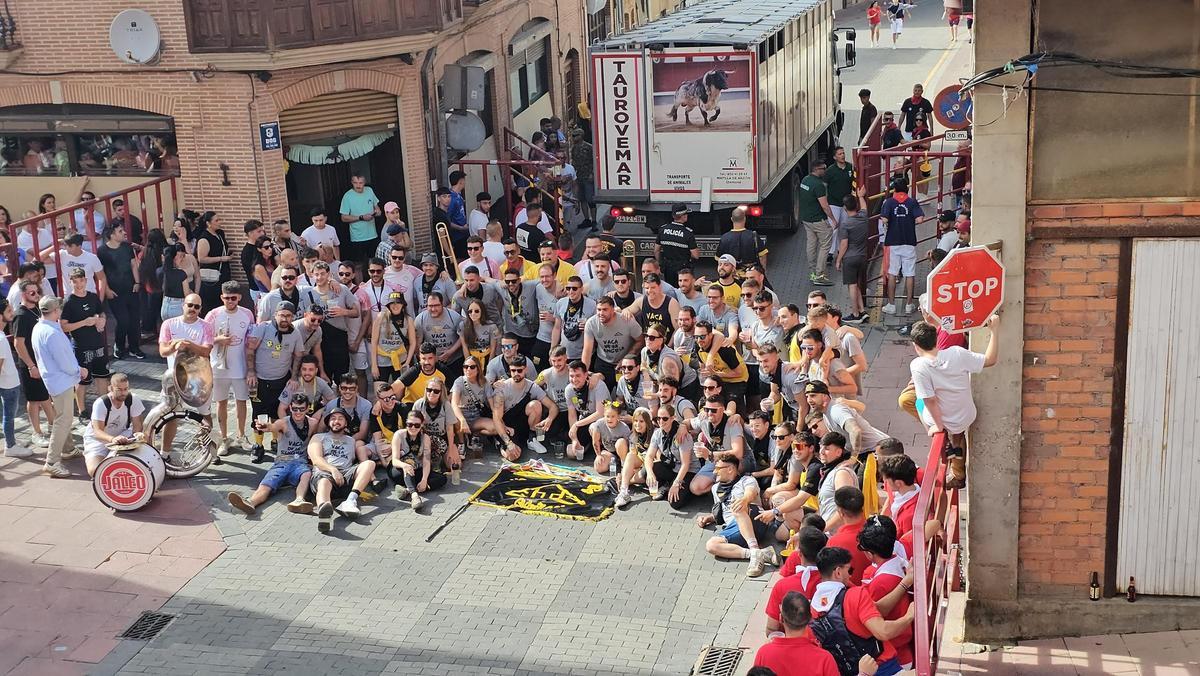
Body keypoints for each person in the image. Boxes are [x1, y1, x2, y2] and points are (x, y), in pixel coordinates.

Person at [909, 315, 1000, 487]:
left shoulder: (918, 365)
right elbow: (990, 360)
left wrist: (937, 426)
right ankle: (952, 448)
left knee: (917, 402)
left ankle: (945, 443)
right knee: (950, 421)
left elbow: (929, 400)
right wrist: (995, 331)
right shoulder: (957, 353)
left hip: (946, 421)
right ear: (936, 339)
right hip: (966, 415)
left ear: (915, 345)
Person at [812, 547, 914, 676]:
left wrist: (905, 582)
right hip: (882, 668)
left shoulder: (812, 608)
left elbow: (875, 608)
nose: (850, 575)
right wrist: (909, 617)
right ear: (838, 572)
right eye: (849, 570)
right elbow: (883, 631)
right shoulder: (855, 594)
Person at [228, 394, 316, 515]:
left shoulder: (313, 423)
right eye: (295, 409)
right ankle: (250, 502)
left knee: (306, 474)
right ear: (290, 408)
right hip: (282, 462)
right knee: (268, 482)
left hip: (300, 463)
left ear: (307, 409)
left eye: (301, 409)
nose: (298, 412)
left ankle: (299, 500)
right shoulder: (283, 423)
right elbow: (272, 427)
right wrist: (263, 426)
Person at [695, 452, 779, 577]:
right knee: (711, 545)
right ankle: (757, 553)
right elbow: (724, 511)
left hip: (755, 519)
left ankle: (755, 554)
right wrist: (710, 517)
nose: (714, 472)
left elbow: (750, 494)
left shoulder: (747, 480)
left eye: (717, 469)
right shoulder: (715, 488)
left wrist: (744, 500)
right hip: (735, 527)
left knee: (739, 507)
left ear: (730, 469)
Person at [31, 296, 86, 478]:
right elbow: (65, 362)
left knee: (63, 416)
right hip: (61, 380)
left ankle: (68, 448)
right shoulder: (53, 333)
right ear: (56, 311)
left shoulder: (39, 328)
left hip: (54, 380)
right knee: (64, 419)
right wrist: (80, 371)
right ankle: (52, 461)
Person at [245, 303, 307, 461]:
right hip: (259, 380)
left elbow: (298, 355)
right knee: (259, 413)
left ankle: (275, 440)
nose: (284, 319)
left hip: (281, 380)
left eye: (288, 316)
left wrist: (294, 377)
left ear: (292, 317)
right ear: (275, 314)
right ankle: (258, 445)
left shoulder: (295, 333)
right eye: (282, 315)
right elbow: (250, 349)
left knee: (276, 412)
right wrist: (251, 372)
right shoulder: (263, 328)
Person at [159, 293, 215, 453]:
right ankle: (165, 453)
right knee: (172, 417)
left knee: (205, 415)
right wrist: (174, 347)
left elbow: (206, 351)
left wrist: (189, 344)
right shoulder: (169, 324)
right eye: (190, 305)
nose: (193, 309)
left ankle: (208, 450)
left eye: (197, 307)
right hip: (176, 378)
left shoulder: (206, 326)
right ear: (183, 305)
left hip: (200, 378)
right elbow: (163, 351)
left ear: (200, 309)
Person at [858, 515, 916, 669]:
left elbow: (873, 614)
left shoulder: (881, 582)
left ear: (870, 554)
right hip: (900, 650)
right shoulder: (897, 561)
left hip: (894, 658)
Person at [206, 281, 255, 456]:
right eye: (226, 298)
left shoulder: (247, 314)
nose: (230, 301)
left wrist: (251, 367)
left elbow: (251, 338)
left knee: (242, 401)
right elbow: (205, 338)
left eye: (233, 298)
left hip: (240, 365)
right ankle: (224, 437)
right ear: (222, 297)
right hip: (219, 367)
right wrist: (219, 340)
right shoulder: (213, 314)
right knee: (221, 402)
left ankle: (242, 435)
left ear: (239, 298)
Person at [309, 407, 377, 533]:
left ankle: (350, 500)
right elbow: (316, 460)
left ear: (346, 423)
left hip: (345, 474)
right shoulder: (318, 437)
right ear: (328, 422)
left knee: (369, 464)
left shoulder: (351, 440)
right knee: (324, 481)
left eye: (340, 419)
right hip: (324, 472)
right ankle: (324, 511)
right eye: (333, 418)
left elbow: (355, 460)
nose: (336, 421)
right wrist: (333, 470)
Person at [60, 267, 109, 424]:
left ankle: (103, 406)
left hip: (98, 343)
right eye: (75, 281)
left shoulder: (93, 297)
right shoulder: (69, 302)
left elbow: (101, 312)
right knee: (82, 380)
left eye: (81, 280)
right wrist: (83, 323)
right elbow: (63, 326)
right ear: (71, 282)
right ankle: (82, 410)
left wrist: (102, 320)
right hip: (81, 345)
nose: (79, 284)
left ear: (86, 280)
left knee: (102, 376)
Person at [764, 526, 827, 636]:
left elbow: (771, 629)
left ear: (800, 554)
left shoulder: (782, 586)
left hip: (790, 646)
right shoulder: (835, 583)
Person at [79, 372, 145, 477]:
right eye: (119, 390)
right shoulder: (101, 403)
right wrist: (112, 439)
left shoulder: (133, 399)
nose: (123, 393)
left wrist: (137, 435)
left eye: (126, 389)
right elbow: (97, 432)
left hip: (123, 435)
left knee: (136, 464)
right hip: (98, 440)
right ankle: (100, 457)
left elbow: (137, 425)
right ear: (110, 388)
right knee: (95, 472)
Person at [490, 357, 556, 460]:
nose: (516, 373)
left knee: (535, 404)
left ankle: (531, 439)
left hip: (522, 424)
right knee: (513, 456)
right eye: (513, 370)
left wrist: (549, 419)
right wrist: (508, 442)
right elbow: (496, 418)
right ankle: (499, 443)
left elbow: (553, 406)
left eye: (519, 370)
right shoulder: (502, 388)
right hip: (506, 427)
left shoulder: (532, 386)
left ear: (525, 369)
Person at [13, 281, 52, 448]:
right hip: (30, 364)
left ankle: (53, 424)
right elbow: (18, 343)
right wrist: (30, 365)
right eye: (32, 293)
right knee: (35, 399)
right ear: (23, 295)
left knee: (44, 396)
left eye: (37, 292)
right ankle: (37, 432)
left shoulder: (36, 310)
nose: (36, 296)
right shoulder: (20, 315)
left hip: (42, 362)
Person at [97, 224, 143, 360]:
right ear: (111, 235)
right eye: (120, 231)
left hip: (131, 289)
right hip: (115, 292)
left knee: (134, 320)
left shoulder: (127, 247)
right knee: (123, 320)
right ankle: (120, 345)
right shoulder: (102, 251)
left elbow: (134, 264)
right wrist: (107, 290)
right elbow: (101, 273)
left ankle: (135, 348)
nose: (124, 233)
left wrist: (137, 282)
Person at [879, 179, 923, 315]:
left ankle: (891, 305)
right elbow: (920, 219)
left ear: (894, 190)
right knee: (910, 273)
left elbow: (884, 219)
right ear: (907, 188)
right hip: (909, 241)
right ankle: (909, 305)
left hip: (893, 242)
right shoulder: (912, 202)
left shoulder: (889, 202)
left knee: (892, 273)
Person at [581, 296, 643, 391]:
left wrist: (627, 358)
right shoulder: (591, 323)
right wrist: (583, 373)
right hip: (603, 363)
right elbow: (587, 351)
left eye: (605, 310)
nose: (601, 313)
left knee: (625, 395)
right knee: (601, 393)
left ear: (613, 310)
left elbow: (640, 340)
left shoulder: (627, 320)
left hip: (625, 364)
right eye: (599, 309)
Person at [389, 410, 444, 510]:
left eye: (417, 425)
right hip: (399, 469)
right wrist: (404, 465)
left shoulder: (425, 438)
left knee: (442, 479)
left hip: (417, 468)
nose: (413, 428)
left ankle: (407, 489)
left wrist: (424, 480)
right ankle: (414, 496)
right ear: (406, 423)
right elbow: (395, 461)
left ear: (422, 425)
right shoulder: (399, 435)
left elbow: (426, 461)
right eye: (410, 424)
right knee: (409, 468)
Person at [646, 402, 696, 507]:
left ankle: (685, 489)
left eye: (664, 419)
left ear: (673, 418)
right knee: (650, 470)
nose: (660, 421)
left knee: (675, 503)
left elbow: (685, 464)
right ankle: (667, 484)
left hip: (688, 471)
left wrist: (676, 483)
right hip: (672, 466)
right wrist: (650, 473)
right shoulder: (657, 433)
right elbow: (649, 456)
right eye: (658, 418)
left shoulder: (681, 434)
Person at [410, 376, 460, 476]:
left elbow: (450, 429)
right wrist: (421, 422)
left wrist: (451, 448)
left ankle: (439, 459)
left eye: (436, 391)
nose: (431, 393)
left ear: (441, 393)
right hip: (424, 439)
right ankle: (432, 463)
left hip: (442, 439)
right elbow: (412, 429)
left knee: (455, 465)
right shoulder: (419, 405)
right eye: (429, 390)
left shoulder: (445, 405)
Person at [836, 190, 872, 324]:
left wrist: (838, 260)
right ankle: (862, 311)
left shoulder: (845, 224)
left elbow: (844, 244)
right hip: (862, 256)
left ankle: (855, 314)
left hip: (850, 258)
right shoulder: (863, 217)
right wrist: (861, 196)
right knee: (856, 284)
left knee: (851, 285)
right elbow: (864, 207)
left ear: (845, 208)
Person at [0, 298, 30, 459]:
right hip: (8, 384)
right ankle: (10, 446)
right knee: (8, 416)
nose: (12, 313)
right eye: (8, 311)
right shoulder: (1, 339)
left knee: (8, 415)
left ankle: (11, 440)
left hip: (7, 382)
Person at [798, 161, 836, 286]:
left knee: (811, 244)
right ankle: (820, 274)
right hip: (818, 220)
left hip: (806, 219)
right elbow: (824, 206)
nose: (825, 171)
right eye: (823, 169)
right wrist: (833, 219)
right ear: (817, 169)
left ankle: (812, 272)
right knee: (825, 245)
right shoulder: (818, 185)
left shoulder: (805, 180)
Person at [564, 360, 610, 461]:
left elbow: (600, 413)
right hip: (584, 419)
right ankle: (587, 447)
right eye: (571, 376)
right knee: (572, 453)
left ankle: (601, 450)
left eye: (578, 375)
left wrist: (577, 425)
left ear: (586, 375)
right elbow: (572, 415)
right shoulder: (569, 390)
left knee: (594, 428)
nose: (574, 379)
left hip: (603, 421)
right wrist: (574, 438)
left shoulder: (598, 386)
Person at [415, 290, 463, 383]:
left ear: (442, 304)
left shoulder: (454, 317)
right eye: (430, 306)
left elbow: (462, 337)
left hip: (454, 359)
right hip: (433, 362)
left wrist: (450, 352)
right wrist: (428, 359)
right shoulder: (420, 319)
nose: (433, 309)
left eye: (436, 305)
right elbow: (418, 344)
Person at [450, 355, 498, 449]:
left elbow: (493, 406)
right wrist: (463, 420)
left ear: (478, 368)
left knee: (496, 428)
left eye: (472, 367)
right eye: (465, 367)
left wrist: (502, 424)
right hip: (461, 416)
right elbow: (454, 404)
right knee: (455, 417)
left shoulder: (485, 382)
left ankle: (474, 434)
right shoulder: (459, 381)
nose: (468, 369)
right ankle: (461, 443)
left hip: (476, 418)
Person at [372, 291, 416, 385]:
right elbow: (374, 341)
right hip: (382, 359)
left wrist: (407, 362)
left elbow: (413, 343)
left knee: (398, 395)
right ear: (388, 305)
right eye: (392, 303)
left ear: (403, 304)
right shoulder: (381, 317)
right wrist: (374, 365)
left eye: (398, 303)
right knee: (380, 393)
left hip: (400, 360)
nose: (395, 306)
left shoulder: (408, 320)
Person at [193, 211, 233, 314]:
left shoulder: (220, 234)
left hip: (223, 273)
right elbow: (201, 258)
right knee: (213, 303)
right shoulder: (204, 238)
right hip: (211, 277)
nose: (219, 222)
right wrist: (221, 258)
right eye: (216, 220)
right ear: (208, 223)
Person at [339, 173, 381, 263]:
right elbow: (343, 217)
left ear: (365, 182)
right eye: (355, 183)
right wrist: (361, 217)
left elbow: (377, 208)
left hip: (372, 234)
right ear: (352, 183)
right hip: (357, 237)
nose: (358, 185)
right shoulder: (347, 196)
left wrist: (376, 212)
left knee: (374, 262)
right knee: (358, 264)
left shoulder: (369, 190)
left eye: (360, 183)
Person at [655, 203, 699, 285]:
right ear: (683, 216)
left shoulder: (663, 229)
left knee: (671, 290)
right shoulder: (688, 233)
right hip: (683, 269)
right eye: (686, 214)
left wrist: (660, 264)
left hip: (668, 267)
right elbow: (696, 255)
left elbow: (656, 250)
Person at [879, 454, 920, 538]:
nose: (884, 481)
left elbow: (907, 543)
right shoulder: (910, 492)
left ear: (899, 483)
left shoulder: (909, 516)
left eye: (887, 480)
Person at [718, 208, 768, 273]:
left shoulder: (724, 238)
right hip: (750, 276)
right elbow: (762, 256)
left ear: (731, 219)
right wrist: (762, 272)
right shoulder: (753, 236)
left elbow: (719, 259)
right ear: (745, 219)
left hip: (733, 277)